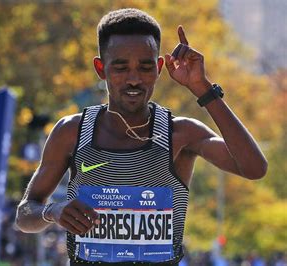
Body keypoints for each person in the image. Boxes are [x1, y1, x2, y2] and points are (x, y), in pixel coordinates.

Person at [15, 8, 267, 265]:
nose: (134, 79)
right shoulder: (72, 132)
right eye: (121, 67)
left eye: (145, 67)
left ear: (159, 68)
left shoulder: (180, 134)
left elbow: (254, 168)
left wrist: (202, 88)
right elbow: (24, 214)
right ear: (101, 69)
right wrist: (52, 211)